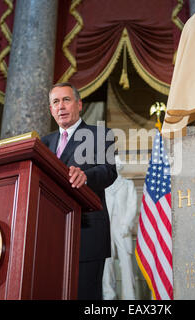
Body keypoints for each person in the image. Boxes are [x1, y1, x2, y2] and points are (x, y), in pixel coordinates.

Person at [41, 82, 117, 299]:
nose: (61, 106)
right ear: (51, 109)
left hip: (86, 231)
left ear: (79, 104)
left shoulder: (102, 134)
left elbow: (109, 171)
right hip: (49, 233)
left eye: (66, 100)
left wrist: (86, 177)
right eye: (55, 102)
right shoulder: (43, 143)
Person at [103, 155, 137, 300]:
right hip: (105, 226)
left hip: (122, 227)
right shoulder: (103, 186)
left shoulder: (128, 184)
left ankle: (129, 296)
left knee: (126, 262)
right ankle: (108, 294)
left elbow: (132, 206)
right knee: (107, 262)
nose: (115, 168)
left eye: (117, 166)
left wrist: (127, 224)